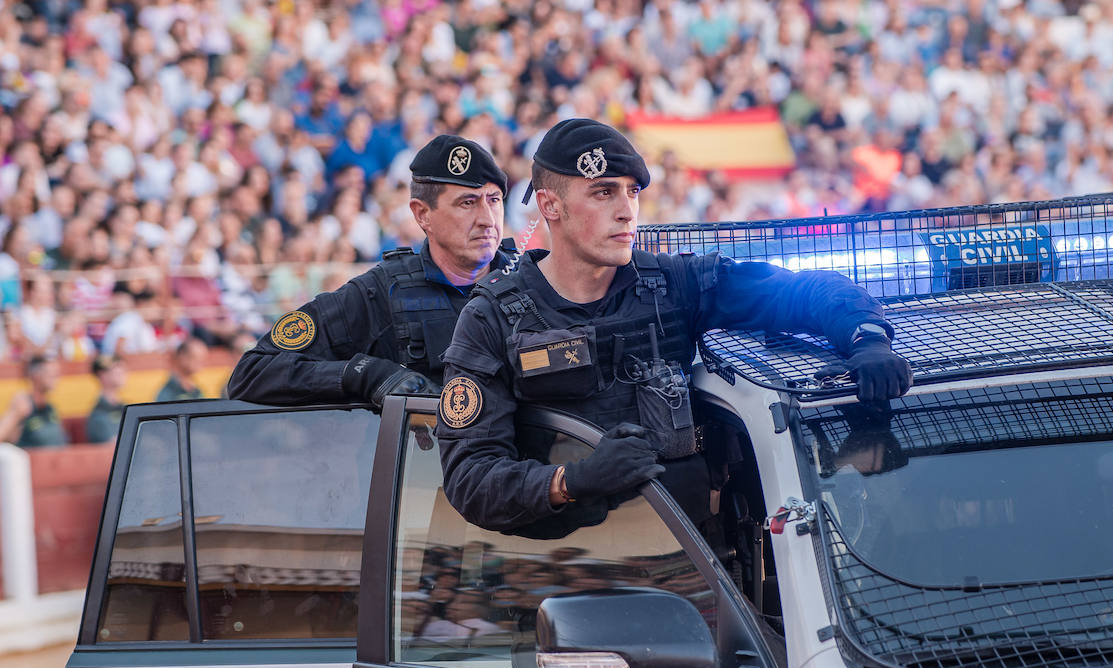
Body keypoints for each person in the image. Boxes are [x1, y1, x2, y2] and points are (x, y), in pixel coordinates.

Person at [437, 118, 912, 535]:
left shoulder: (676, 284)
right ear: (551, 206)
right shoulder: (491, 318)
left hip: (690, 566)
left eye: (633, 191)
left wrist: (866, 338)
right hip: (563, 572)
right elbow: (469, 479)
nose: (627, 210)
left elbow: (803, 292)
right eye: (604, 192)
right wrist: (571, 481)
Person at [226, 135, 518, 409]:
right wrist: (366, 374)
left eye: (494, 200)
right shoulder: (383, 293)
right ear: (422, 214)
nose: (487, 219)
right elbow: (253, 372)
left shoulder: (531, 282)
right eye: (467, 203)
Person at [0, 354, 68, 448]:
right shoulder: (23, 405)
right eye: (51, 374)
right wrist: (15, 414)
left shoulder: (50, 408)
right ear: (35, 375)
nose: (56, 378)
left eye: (56, 374)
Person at [86, 353, 127, 444]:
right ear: (102, 375)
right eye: (116, 368)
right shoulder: (98, 415)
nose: (122, 372)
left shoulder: (124, 406)